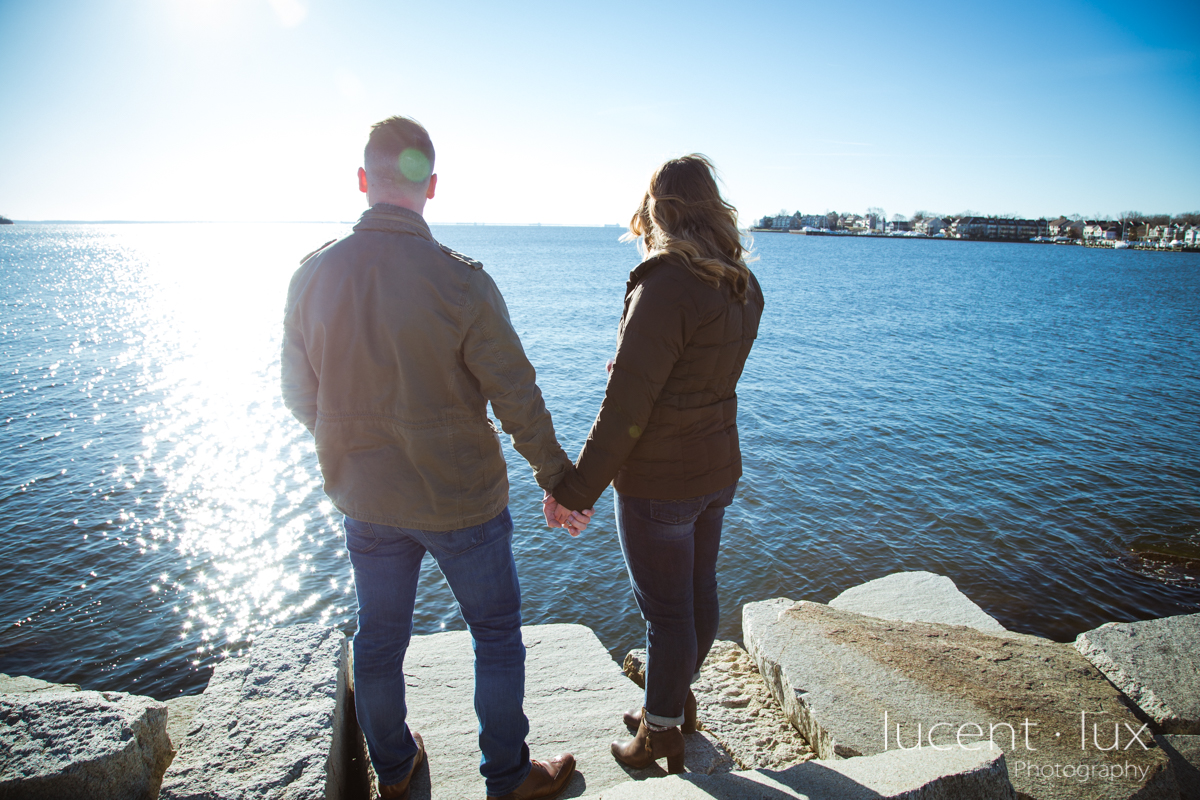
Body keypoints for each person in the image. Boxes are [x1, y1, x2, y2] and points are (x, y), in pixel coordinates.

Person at [281, 115, 590, 800]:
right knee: (497, 638)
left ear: (363, 182)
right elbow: (517, 395)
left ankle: (395, 774)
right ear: (432, 186)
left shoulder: (312, 276)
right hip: (461, 502)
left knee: (380, 639)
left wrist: (353, 449)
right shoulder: (462, 283)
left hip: (366, 499)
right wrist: (560, 481)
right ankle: (508, 778)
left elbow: (300, 395)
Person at [548, 154, 763, 774]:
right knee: (698, 597)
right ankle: (672, 703)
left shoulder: (665, 282)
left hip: (659, 480)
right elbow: (699, 377)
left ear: (659, 209)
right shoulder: (740, 286)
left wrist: (575, 489)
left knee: (665, 614)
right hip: (714, 470)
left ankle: (659, 735)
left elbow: (626, 406)